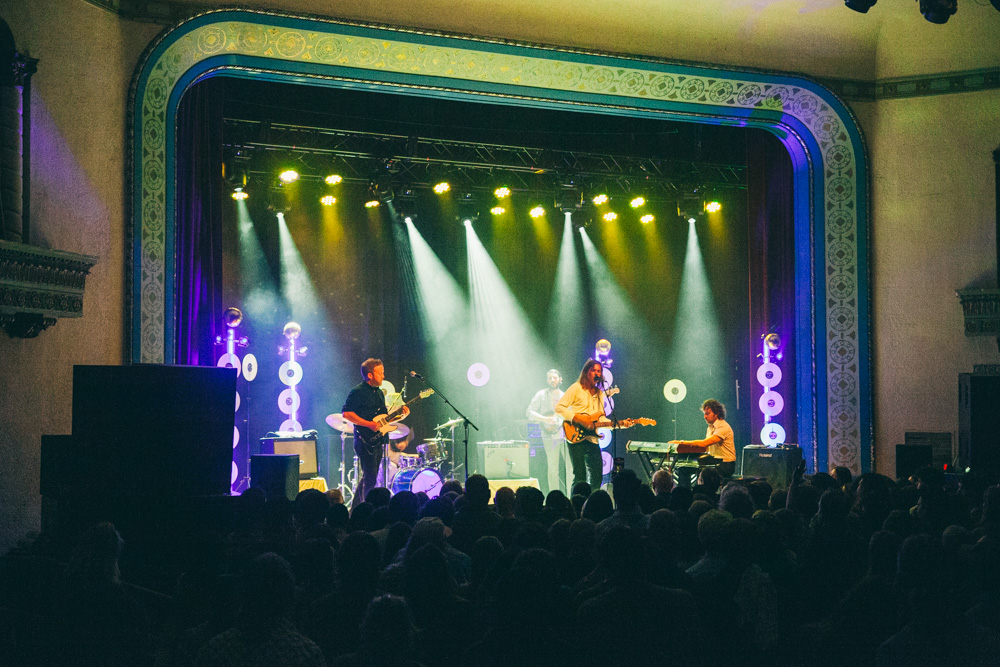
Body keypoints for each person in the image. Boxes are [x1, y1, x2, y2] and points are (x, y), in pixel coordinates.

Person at [342, 358, 408, 507]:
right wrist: (369, 424)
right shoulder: (358, 391)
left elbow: (384, 419)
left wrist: (402, 415)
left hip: (377, 440)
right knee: (370, 478)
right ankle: (367, 511)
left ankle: (357, 508)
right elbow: (346, 413)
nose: (383, 376)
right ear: (370, 375)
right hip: (364, 441)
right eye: (380, 373)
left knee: (369, 477)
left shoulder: (379, 393)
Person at [555, 359, 610, 493]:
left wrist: (617, 425)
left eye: (599, 371)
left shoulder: (600, 394)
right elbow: (559, 408)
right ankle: (576, 505)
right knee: (580, 476)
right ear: (587, 372)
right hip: (576, 436)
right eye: (594, 370)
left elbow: (600, 418)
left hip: (592, 438)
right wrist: (578, 419)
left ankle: (593, 504)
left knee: (597, 475)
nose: (597, 373)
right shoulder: (576, 388)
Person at [526, 368, 570, 494]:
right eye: (550, 378)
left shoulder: (565, 396)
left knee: (570, 467)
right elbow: (529, 412)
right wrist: (545, 419)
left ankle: (571, 497)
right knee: (553, 468)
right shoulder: (541, 395)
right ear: (547, 380)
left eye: (555, 377)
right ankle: (554, 497)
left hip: (565, 435)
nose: (552, 380)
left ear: (560, 379)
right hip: (549, 436)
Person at [668, 398, 736, 478]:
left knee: (700, 471)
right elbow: (706, 447)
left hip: (725, 465)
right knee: (684, 468)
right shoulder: (710, 427)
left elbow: (704, 443)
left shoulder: (723, 427)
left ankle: (698, 489)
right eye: (704, 414)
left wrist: (681, 443)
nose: (705, 417)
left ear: (716, 413)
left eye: (707, 414)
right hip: (715, 461)